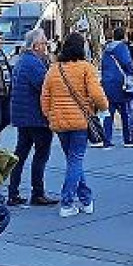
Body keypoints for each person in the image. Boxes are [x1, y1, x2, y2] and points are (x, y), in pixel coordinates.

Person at [42, 33, 109, 217]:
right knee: (76, 160)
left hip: (60, 122)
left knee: (73, 161)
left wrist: (50, 115)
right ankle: (67, 202)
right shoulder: (86, 68)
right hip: (80, 120)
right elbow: (96, 94)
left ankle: (86, 199)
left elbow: (45, 97)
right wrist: (104, 107)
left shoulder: (54, 69)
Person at [7, 29, 58, 207]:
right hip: (36, 116)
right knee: (41, 154)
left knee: (20, 154)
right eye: (44, 43)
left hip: (23, 116)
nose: (46, 46)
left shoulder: (23, 61)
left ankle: (13, 192)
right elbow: (45, 88)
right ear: (35, 45)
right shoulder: (34, 64)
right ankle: (37, 192)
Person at [99, 27, 133, 147]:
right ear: (124, 36)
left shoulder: (106, 49)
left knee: (108, 112)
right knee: (126, 111)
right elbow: (127, 63)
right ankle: (128, 138)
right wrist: (132, 74)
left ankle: (106, 138)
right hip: (121, 83)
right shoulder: (122, 47)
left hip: (108, 83)